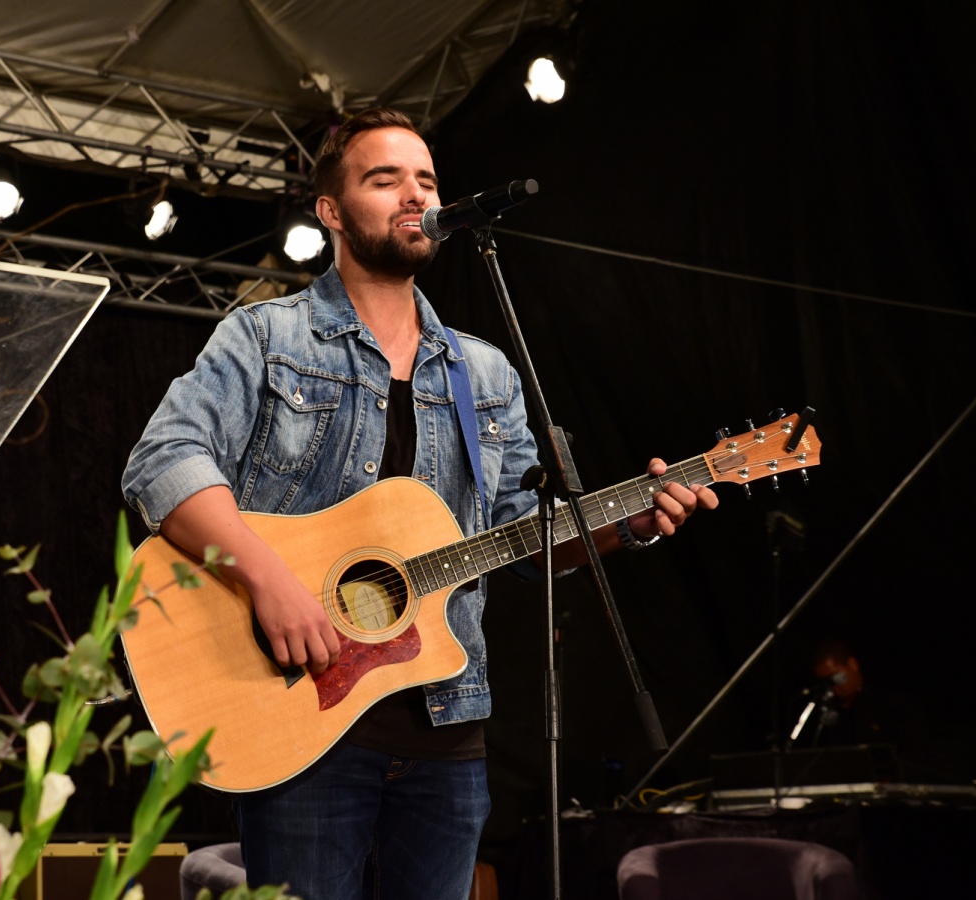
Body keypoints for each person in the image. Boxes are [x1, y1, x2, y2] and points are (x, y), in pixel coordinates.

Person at [122, 108, 717, 900]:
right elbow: (164, 460)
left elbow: (520, 539)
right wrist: (269, 581)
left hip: (447, 730)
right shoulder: (266, 337)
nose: (415, 195)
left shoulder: (485, 373)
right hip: (300, 720)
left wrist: (623, 526)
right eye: (385, 179)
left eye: (427, 181)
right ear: (331, 211)